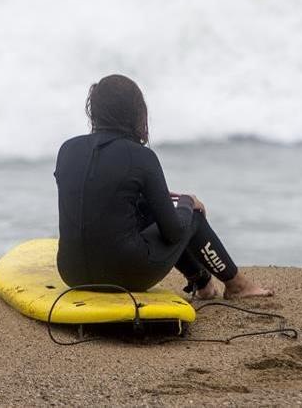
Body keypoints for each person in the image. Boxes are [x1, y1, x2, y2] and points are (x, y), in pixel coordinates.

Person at [54, 74, 273, 299]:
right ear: (135, 112)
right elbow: (174, 231)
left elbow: (95, 198)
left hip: (72, 273)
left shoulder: (67, 150)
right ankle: (237, 285)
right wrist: (188, 202)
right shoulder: (142, 157)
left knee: (147, 208)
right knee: (191, 215)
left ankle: (203, 283)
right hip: (126, 275)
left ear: (94, 110)